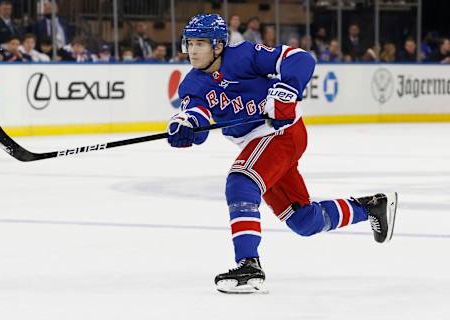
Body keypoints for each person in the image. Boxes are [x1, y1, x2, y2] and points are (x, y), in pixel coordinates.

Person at [166, 14, 398, 294]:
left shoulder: (244, 55)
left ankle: (248, 264)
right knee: (304, 220)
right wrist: (185, 126)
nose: (192, 50)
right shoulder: (191, 84)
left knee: (241, 181)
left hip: (282, 133)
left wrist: (288, 90)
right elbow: (198, 120)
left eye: (200, 43)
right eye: (190, 43)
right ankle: (370, 207)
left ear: (218, 45)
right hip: (260, 144)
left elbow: (301, 59)